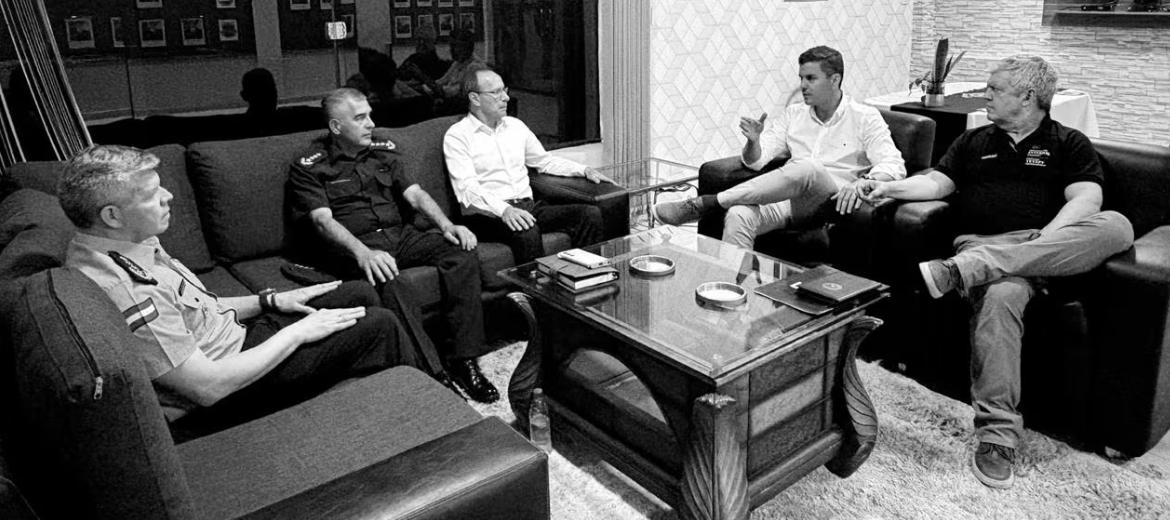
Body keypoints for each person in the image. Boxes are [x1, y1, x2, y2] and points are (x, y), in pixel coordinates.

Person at [855, 56, 1134, 489]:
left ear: (1027, 97)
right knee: (1002, 294)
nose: (985, 95)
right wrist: (888, 187)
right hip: (983, 247)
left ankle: (963, 272)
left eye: (994, 89)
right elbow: (936, 183)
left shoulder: (1068, 142)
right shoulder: (974, 140)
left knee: (1117, 225)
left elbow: (1086, 201)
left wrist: (1040, 245)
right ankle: (998, 436)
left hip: (1046, 247)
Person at [60, 144, 424, 439]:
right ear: (112, 216)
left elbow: (199, 308)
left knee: (357, 292)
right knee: (379, 325)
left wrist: (270, 300)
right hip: (231, 383)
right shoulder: (127, 288)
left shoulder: (130, 242)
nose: (168, 197)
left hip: (235, 339)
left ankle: (401, 392)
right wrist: (298, 333)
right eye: (153, 195)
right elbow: (206, 388)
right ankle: (430, 421)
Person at [286, 87, 500, 404]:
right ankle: (433, 374)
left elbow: (415, 194)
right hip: (358, 246)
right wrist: (363, 253)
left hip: (400, 236)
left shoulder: (383, 150)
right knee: (388, 277)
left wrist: (447, 225)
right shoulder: (310, 164)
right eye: (360, 118)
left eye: (370, 115)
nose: (371, 124)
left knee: (459, 250)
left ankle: (464, 359)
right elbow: (322, 220)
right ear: (336, 127)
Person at [652, 46, 906, 249]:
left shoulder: (864, 117)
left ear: (834, 79)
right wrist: (753, 142)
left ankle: (704, 204)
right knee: (739, 214)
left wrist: (865, 182)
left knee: (808, 167)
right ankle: (732, 289)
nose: (803, 85)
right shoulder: (794, 114)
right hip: (790, 203)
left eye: (811, 78)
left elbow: (894, 165)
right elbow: (756, 162)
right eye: (801, 78)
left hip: (833, 203)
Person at [444, 68, 610, 265]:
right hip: (487, 216)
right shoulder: (458, 136)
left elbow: (544, 161)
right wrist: (505, 210)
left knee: (589, 215)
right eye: (496, 92)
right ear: (475, 98)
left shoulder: (515, 126)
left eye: (504, 90)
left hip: (528, 206)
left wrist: (584, 170)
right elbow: (467, 189)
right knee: (526, 229)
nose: (506, 97)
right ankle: (536, 285)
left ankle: (587, 275)